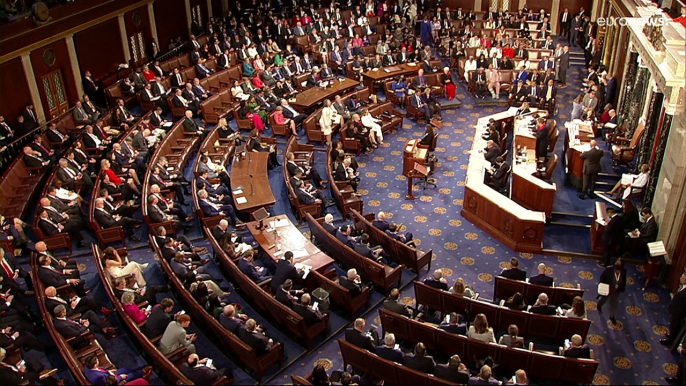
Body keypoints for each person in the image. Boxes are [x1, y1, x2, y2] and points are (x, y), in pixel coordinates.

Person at [84, 355, 151, 385]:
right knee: (129, 375)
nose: (98, 361)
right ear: (95, 365)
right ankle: (142, 373)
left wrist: (109, 371)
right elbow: (109, 384)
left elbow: (100, 370)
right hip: (113, 380)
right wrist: (120, 377)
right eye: (97, 361)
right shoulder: (98, 378)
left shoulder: (87, 367)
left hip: (109, 374)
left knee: (125, 369)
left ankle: (137, 372)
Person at [597, 259, 626, 325]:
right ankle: (599, 304)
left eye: (619, 263)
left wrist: (622, 288)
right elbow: (602, 277)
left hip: (616, 291)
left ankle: (612, 316)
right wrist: (601, 285)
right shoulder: (609, 269)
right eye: (616, 262)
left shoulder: (623, 272)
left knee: (614, 304)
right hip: (608, 288)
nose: (617, 264)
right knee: (604, 299)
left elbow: (623, 281)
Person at [661, 273, 686, 346]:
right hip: (675, 310)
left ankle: (670, 340)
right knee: (672, 325)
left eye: (682, 277)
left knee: (675, 327)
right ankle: (670, 335)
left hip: (678, 314)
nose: (680, 278)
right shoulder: (682, 287)